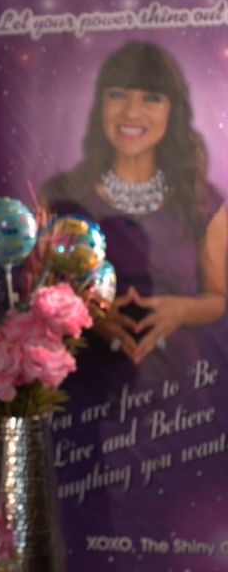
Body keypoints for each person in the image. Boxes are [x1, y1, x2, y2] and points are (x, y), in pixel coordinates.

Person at [41, 40, 227, 366]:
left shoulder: (202, 201)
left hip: (178, 384)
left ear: (173, 111)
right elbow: (35, 293)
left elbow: (217, 298)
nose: (130, 112)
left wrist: (182, 310)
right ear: (101, 105)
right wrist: (89, 314)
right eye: (118, 95)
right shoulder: (61, 197)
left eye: (151, 98)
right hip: (82, 380)